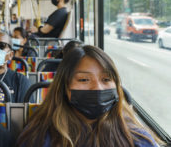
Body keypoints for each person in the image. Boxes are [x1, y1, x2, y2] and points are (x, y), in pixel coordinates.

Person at [17, 45, 162, 147]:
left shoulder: (136, 137)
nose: (97, 87)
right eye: (84, 80)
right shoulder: (41, 136)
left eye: (106, 80)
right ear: (64, 87)